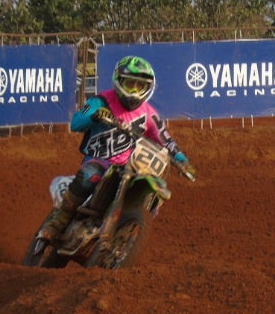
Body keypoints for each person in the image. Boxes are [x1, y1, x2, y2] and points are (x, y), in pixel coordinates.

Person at [40, 55, 194, 241]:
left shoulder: (148, 114)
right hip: (100, 160)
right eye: (130, 84)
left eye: (141, 86)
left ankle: (126, 235)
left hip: (131, 166)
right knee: (91, 175)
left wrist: (182, 161)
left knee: (150, 189)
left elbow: (166, 140)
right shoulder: (101, 101)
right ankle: (59, 220)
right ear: (119, 81)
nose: (135, 91)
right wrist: (94, 116)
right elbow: (76, 122)